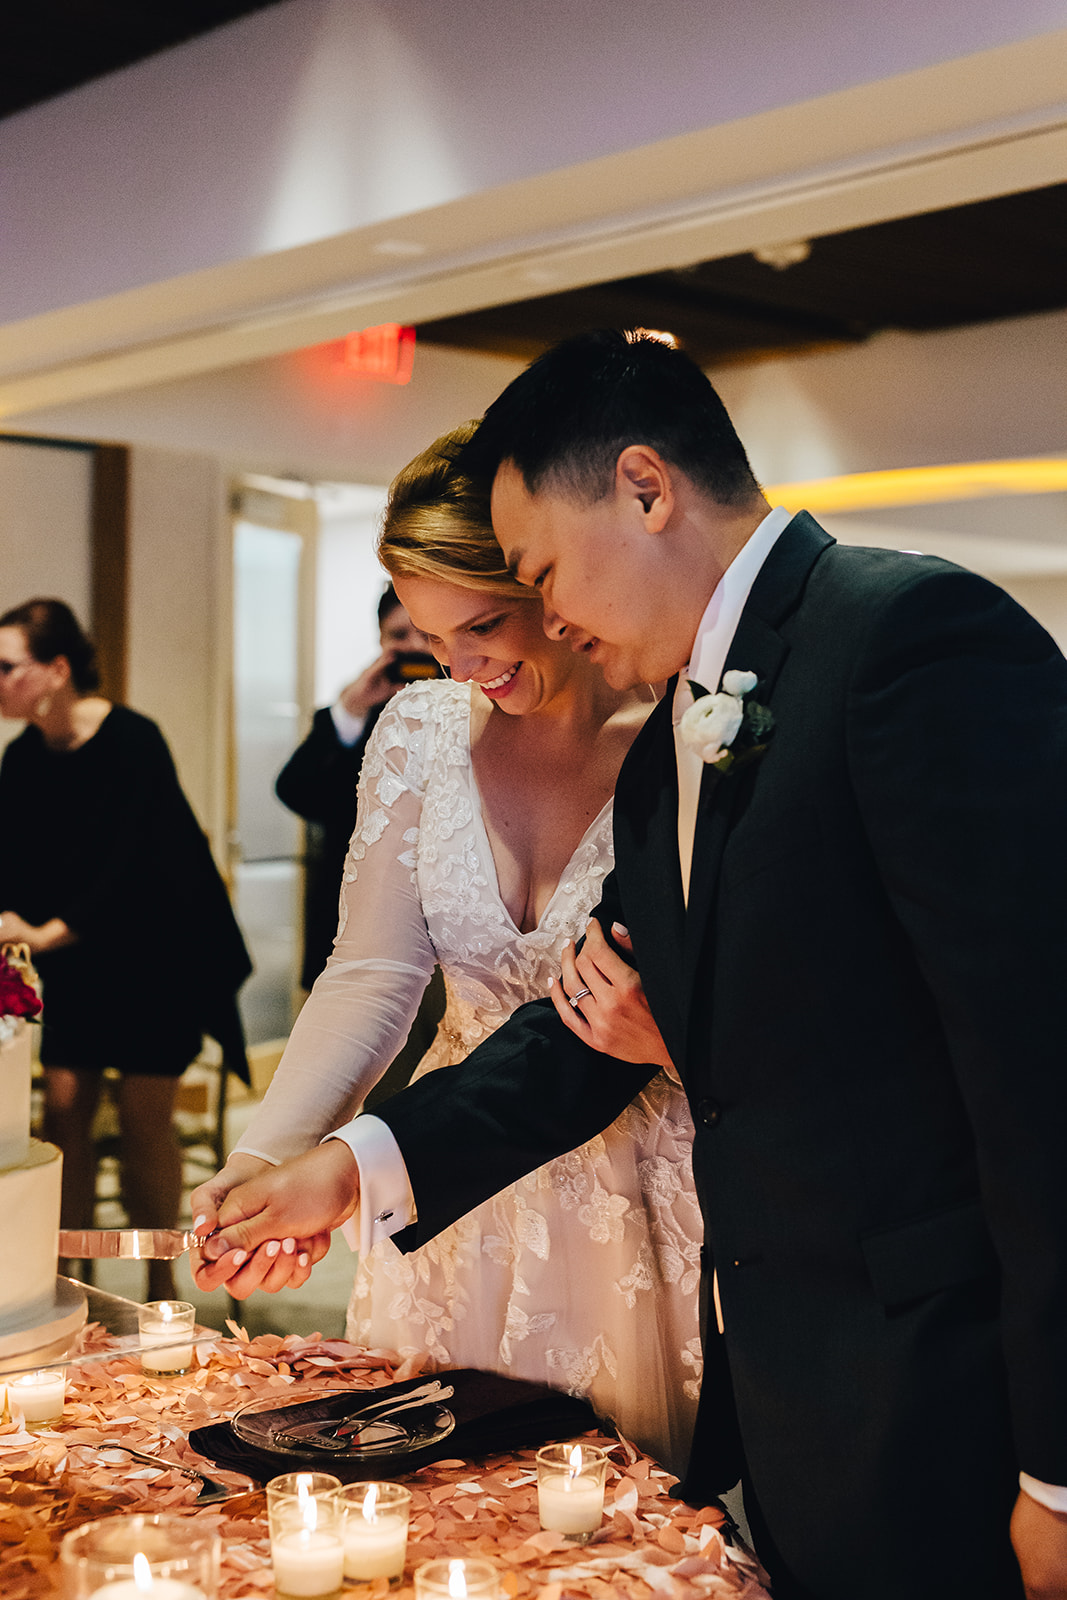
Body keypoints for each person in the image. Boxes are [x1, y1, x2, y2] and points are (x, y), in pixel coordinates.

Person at [201, 331, 1067, 1600]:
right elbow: (578, 1019)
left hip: (940, 1374)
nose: (545, 617)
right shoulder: (687, 715)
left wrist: (1055, 1466)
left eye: (543, 571)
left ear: (646, 488)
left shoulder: (907, 636)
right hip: (796, 1382)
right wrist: (349, 1165)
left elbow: (1037, 1064)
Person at [192, 426, 702, 1473]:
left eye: (484, 624)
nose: (461, 667)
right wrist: (269, 1161)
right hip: (441, 1179)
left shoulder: (682, 736)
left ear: (551, 579)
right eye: (431, 640)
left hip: (636, 1180)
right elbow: (374, 972)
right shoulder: (420, 729)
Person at [0, 598, 252, 1301]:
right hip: (78, 960)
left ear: (55, 669)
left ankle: (159, 1281)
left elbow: (135, 860)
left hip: (156, 954)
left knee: (145, 1119)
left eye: (6, 665)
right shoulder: (22, 757)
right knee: (63, 1107)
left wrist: (49, 929)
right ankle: (66, 1275)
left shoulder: (133, 739)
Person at [275, 584, 433, 988]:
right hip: (354, 927)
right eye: (399, 635)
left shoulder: (480, 701)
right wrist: (351, 712)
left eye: (426, 632)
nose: (414, 645)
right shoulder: (357, 713)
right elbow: (296, 790)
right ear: (380, 641)